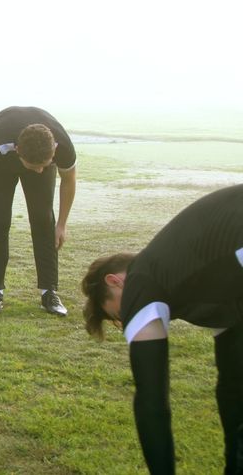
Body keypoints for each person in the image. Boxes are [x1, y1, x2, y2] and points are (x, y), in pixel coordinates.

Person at [81, 184, 243, 474]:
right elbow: (233, 372)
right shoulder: (193, 274)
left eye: (119, 313)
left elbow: (151, 401)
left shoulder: (143, 279)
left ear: (115, 282)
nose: (126, 321)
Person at [0, 106, 76, 316]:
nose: (41, 171)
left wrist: (61, 223)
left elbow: (69, 180)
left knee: (43, 219)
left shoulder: (62, 145)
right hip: (0, 167)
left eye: (46, 164)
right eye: (36, 166)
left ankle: (49, 292)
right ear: (18, 152)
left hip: (37, 154)